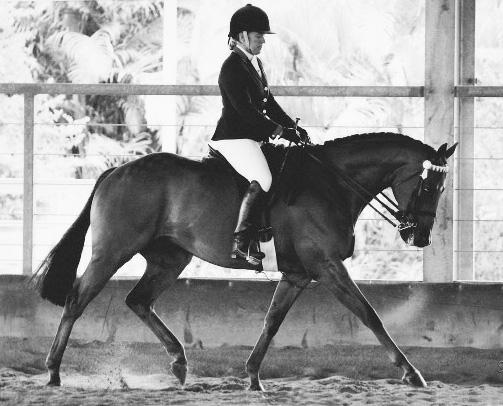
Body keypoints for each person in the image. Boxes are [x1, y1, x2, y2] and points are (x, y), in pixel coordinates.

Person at [210, 4, 310, 266]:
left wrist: (292, 127)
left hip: (251, 137)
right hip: (234, 138)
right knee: (263, 178)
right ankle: (240, 244)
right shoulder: (232, 67)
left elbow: (269, 103)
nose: (263, 40)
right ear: (243, 36)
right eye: (259, 36)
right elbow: (245, 111)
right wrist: (279, 131)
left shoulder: (254, 63)